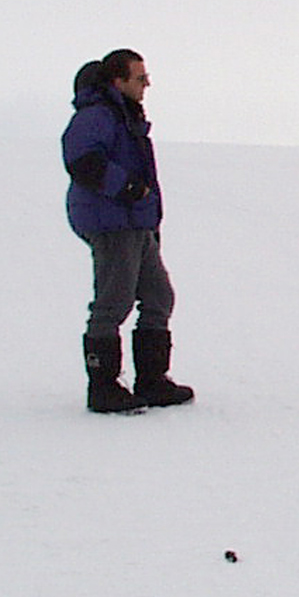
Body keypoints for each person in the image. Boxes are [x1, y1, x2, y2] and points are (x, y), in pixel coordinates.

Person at [62, 49, 194, 412]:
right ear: (117, 81)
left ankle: (152, 381)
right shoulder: (98, 115)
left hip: (134, 222)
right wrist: (129, 189)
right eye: (140, 77)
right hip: (111, 220)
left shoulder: (125, 117)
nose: (147, 83)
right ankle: (103, 388)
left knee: (158, 296)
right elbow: (80, 159)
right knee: (114, 301)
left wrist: (149, 219)